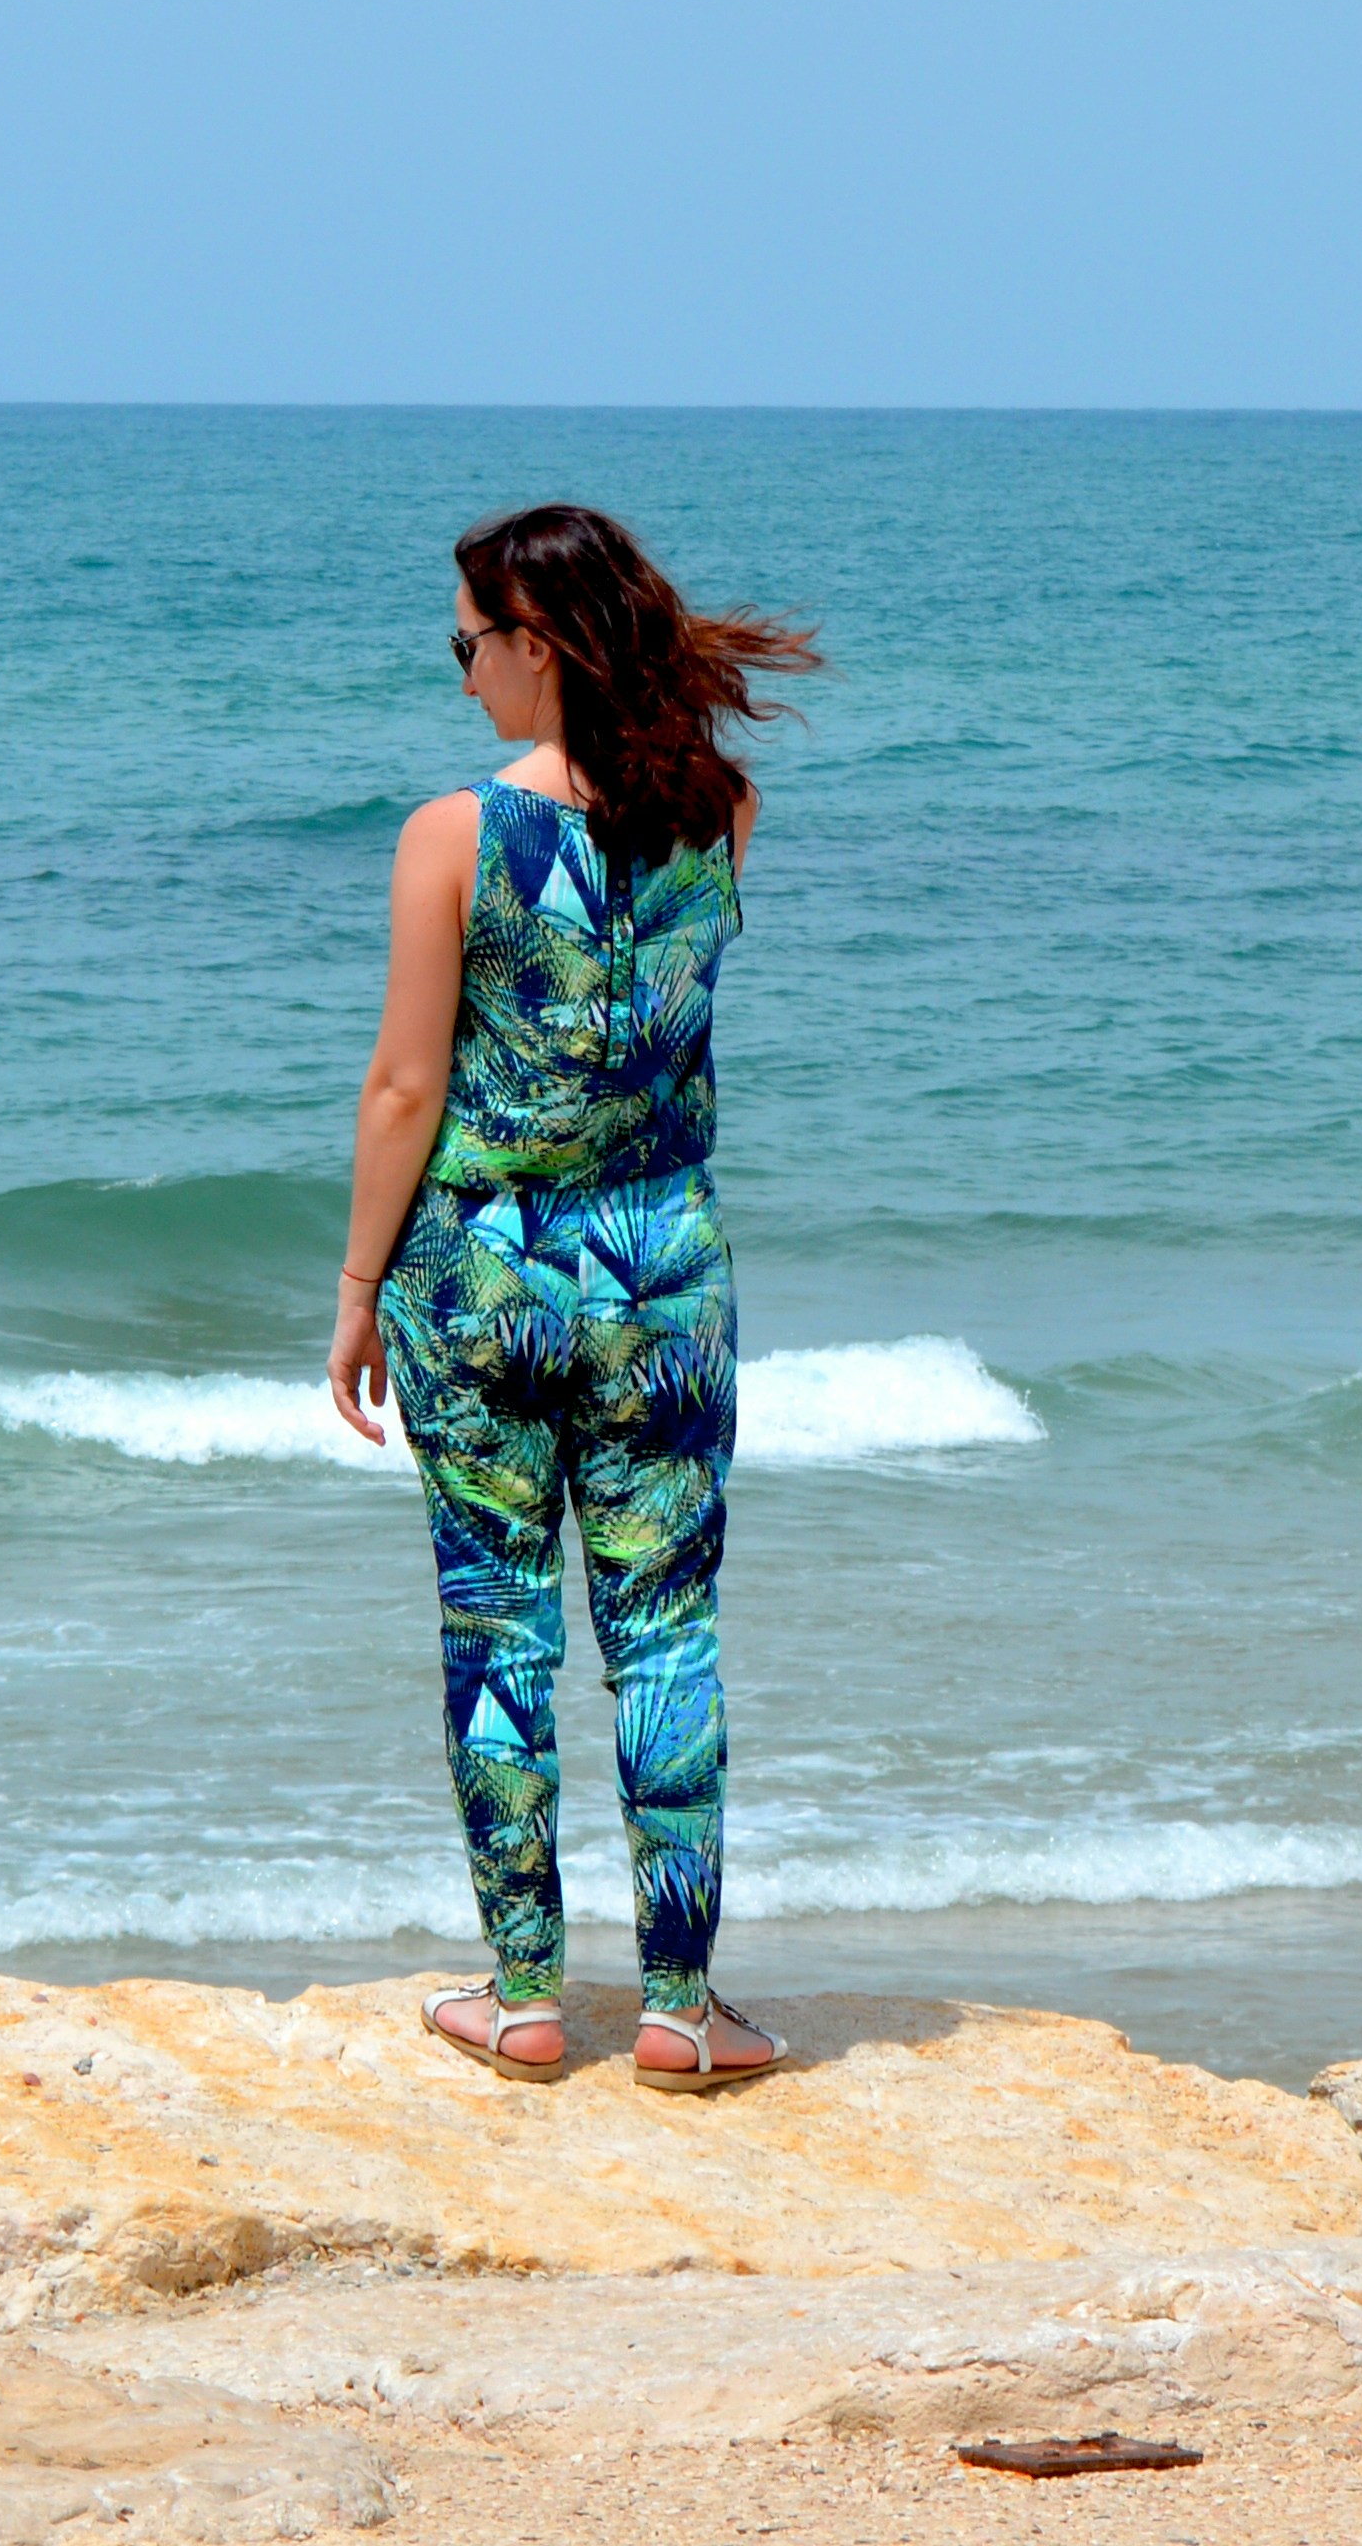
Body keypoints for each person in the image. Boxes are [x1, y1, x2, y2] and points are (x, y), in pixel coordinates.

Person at [323, 500, 820, 2090]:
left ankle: (524, 1996)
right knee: (667, 1636)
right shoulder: (718, 811)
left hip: (481, 1276)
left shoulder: (452, 835)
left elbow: (407, 1087)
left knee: (500, 1626)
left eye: (469, 643)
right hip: (663, 1269)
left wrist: (352, 1288)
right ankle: (683, 2012)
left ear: (537, 642)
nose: (461, 675)